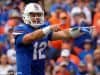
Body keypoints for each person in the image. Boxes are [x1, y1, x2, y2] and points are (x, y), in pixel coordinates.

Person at [13, 3, 85, 75]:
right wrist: (48, 29)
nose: (36, 17)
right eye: (33, 15)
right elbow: (30, 38)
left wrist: (80, 30)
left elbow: (63, 34)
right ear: (26, 16)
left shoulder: (44, 28)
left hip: (39, 70)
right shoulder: (20, 29)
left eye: (38, 15)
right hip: (25, 70)